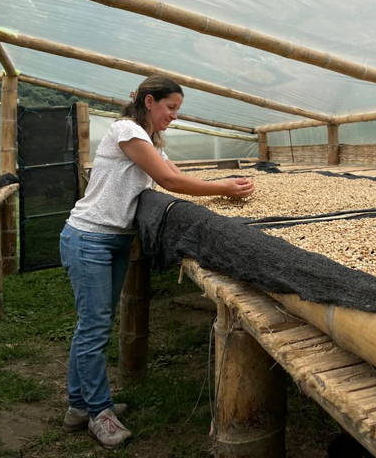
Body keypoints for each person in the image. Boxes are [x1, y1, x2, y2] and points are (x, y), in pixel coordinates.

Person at [59, 75, 254, 449]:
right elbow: (169, 181)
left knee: (93, 324)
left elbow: (176, 173)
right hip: (89, 238)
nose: (174, 116)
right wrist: (225, 188)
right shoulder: (126, 130)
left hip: (112, 240)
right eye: (171, 108)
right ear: (149, 101)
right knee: (95, 327)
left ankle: (78, 404)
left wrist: (223, 187)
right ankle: (100, 413)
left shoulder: (147, 140)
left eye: (177, 110)